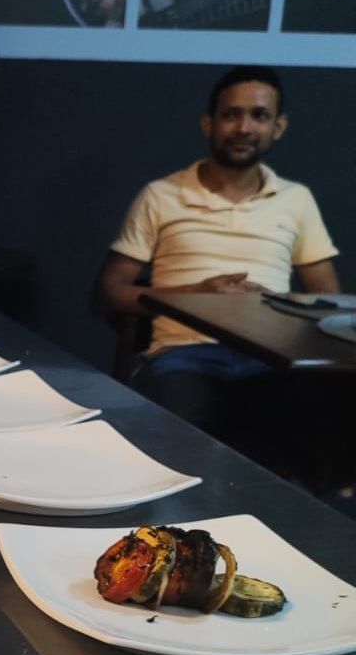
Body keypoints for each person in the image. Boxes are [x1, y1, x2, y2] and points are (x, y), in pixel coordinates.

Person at [95, 65, 342, 479]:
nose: (244, 127)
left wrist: (268, 306)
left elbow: (327, 302)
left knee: (309, 438)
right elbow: (112, 290)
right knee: (179, 446)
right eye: (232, 115)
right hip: (183, 356)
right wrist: (199, 296)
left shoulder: (296, 199)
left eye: (259, 116)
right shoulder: (161, 195)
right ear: (208, 123)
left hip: (269, 358)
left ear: (278, 127)